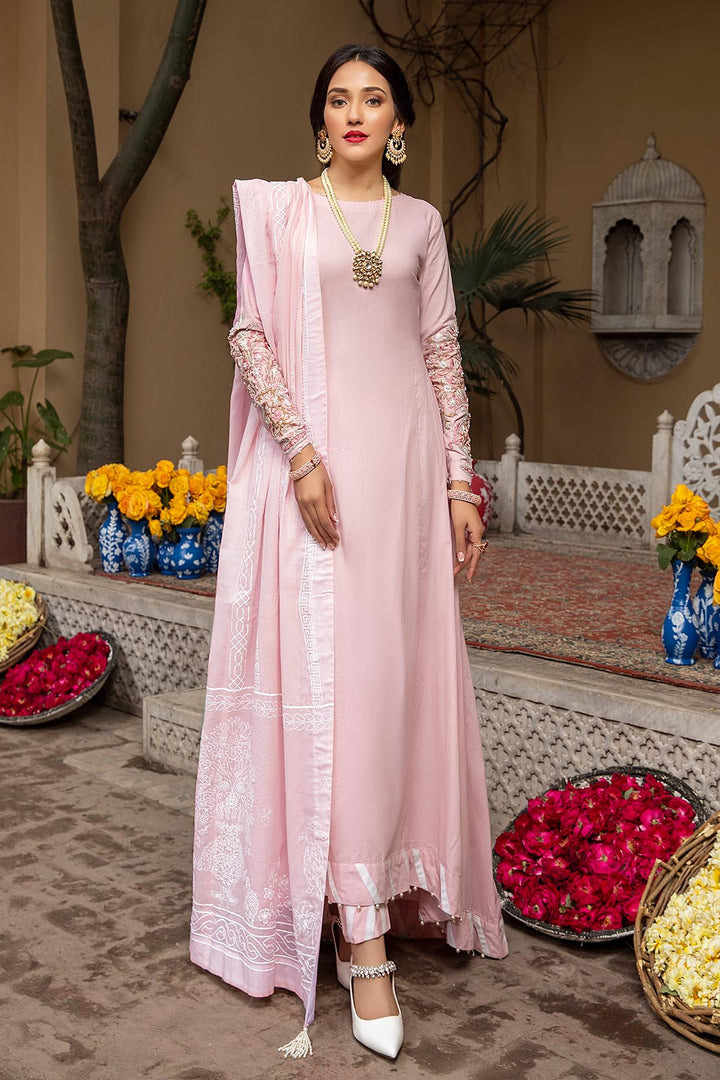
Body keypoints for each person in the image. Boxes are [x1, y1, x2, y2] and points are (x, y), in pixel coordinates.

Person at [189, 42, 508, 1061]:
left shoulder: (420, 224)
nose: (356, 112)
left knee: (389, 688)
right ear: (320, 119)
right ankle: (359, 938)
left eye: (374, 99)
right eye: (339, 99)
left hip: (406, 477)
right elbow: (250, 335)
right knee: (335, 689)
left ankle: (373, 896)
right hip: (321, 483)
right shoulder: (285, 215)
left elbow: (441, 352)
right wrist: (301, 455)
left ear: (399, 122)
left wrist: (459, 484)